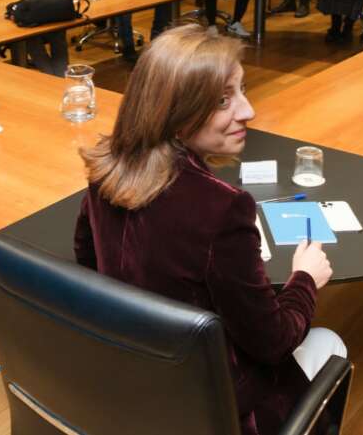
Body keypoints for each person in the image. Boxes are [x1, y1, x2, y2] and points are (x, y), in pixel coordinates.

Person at [75, 24, 346, 434]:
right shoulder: (223, 209)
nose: (248, 110)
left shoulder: (105, 169)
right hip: (214, 405)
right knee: (331, 343)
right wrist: (305, 279)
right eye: (224, 100)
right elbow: (273, 341)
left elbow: (87, 258)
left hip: (135, 376)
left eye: (241, 90)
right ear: (177, 114)